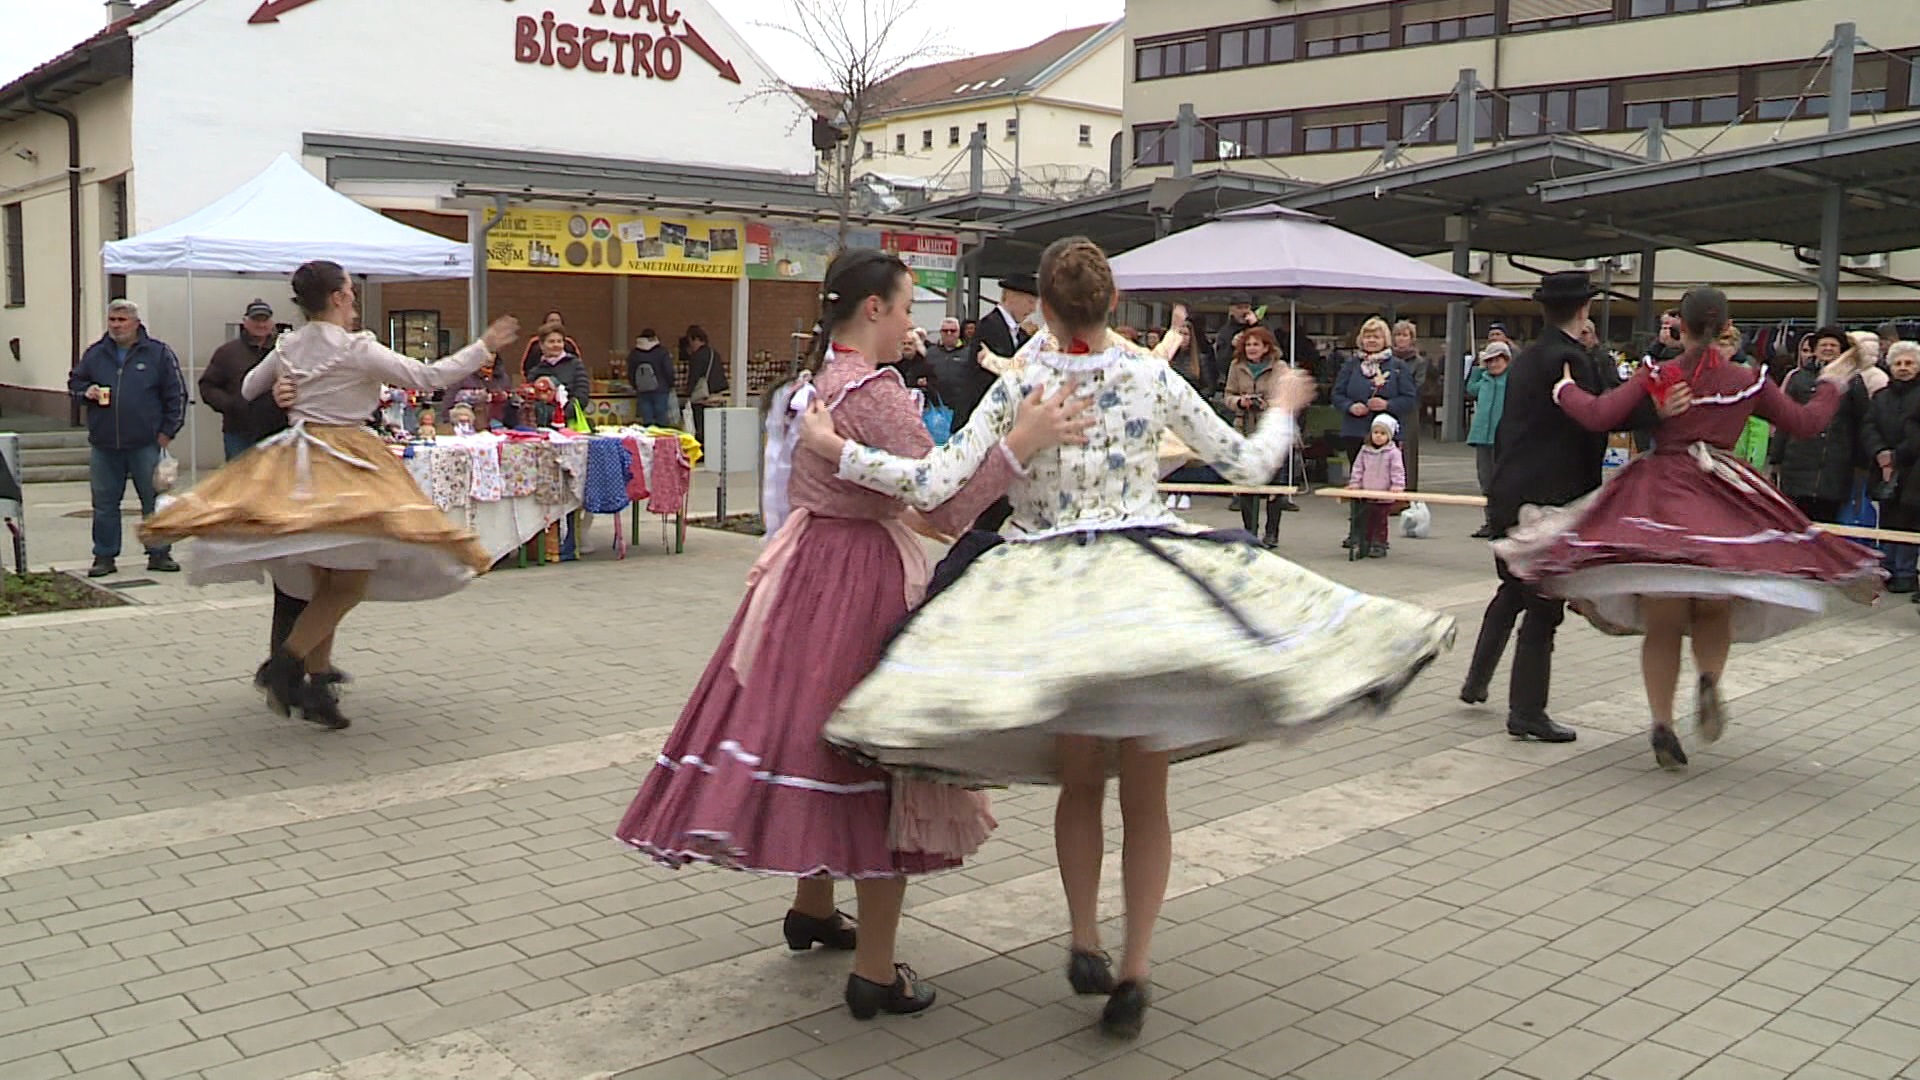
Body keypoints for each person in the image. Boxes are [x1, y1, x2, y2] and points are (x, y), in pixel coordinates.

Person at [797, 236, 1455, 1041]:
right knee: (1147, 794)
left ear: (1041, 305)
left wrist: (838, 451)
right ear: (1113, 305)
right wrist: (1283, 404)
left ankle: (1083, 939)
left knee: (1082, 782)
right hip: (1146, 597)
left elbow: (936, 482)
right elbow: (1245, 464)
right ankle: (1136, 965)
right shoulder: (1150, 372)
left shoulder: (1023, 383)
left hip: (1052, 599)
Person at [614, 249, 1088, 1021]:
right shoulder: (876, 392)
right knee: (877, 756)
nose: (911, 324)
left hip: (803, 572)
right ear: (873, 309)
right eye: (905, 308)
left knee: (812, 735)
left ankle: (812, 904)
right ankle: (875, 968)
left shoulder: (814, 383)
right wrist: (1020, 445)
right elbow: (941, 507)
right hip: (858, 576)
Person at [1495, 286, 1882, 769]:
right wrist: (1831, 382)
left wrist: (1564, 389)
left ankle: (1660, 721)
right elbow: (1805, 423)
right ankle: (1710, 679)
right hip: (1722, 496)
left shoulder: (1660, 375)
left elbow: (1600, 416)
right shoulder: (1749, 379)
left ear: (1680, 327)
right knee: (1714, 607)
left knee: (1663, 620)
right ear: (1725, 327)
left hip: (1660, 496)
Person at [141, 261, 516, 728]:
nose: (354, 301)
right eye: (350, 293)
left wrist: (282, 388)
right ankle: (287, 664)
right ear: (338, 297)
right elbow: (428, 377)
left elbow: (249, 386)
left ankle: (317, 684)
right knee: (349, 581)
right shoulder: (357, 349)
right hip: (345, 460)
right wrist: (484, 346)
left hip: (298, 460)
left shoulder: (289, 345)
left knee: (326, 579)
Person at [1460, 272, 1668, 743]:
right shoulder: (1573, 358)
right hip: (1550, 498)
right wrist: (1605, 360)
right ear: (1584, 310)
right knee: (1543, 605)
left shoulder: (1529, 357)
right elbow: (1614, 411)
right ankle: (1527, 712)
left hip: (1509, 487)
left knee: (1513, 589)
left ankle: (1477, 682)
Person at [70, 299, 187, 579]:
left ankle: (159, 553)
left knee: (154, 502)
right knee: (105, 504)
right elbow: (75, 383)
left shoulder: (157, 353)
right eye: (112, 320)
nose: (116, 325)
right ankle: (104, 556)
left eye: (122, 320)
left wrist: (167, 433)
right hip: (104, 444)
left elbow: (176, 394)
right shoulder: (96, 354)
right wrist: (86, 392)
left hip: (146, 443)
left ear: (136, 323)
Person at [1331, 319, 1417, 550]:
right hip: (1355, 431)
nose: (1371, 340)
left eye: (1376, 336)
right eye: (1367, 336)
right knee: (1358, 482)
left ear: (1385, 340)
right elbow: (1337, 394)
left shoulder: (1397, 366)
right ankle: (1356, 532)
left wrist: (1387, 404)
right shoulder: (1351, 365)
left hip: (1384, 436)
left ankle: (1378, 537)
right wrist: (1350, 406)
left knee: (1381, 489)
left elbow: (1409, 399)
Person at [1770, 326, 1866, 523]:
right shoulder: (1798, 379)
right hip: (1797, 463)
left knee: (1828, 523)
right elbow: (1784, 418)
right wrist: (1776, 457)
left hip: (1836, 465)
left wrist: (1860, 462)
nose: (1828, 349)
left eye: (1833, 345)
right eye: (1824, 345)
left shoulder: (1854, 381)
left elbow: (1862, 421)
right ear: (1814, 349)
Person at [1224, 326, 1292, 547]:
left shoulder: (1280, 367)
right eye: (1248, 344)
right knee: (1247, 483)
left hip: (1271, 428)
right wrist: (1239, 402)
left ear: (1266, 347)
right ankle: (1249, 531)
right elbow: (1227, 395)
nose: (1252, 348)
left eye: (1256, 344)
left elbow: (1287, 396)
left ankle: (1272, 532)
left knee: (1274, 485)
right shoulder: (1236, 366)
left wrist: (1267, 404)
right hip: (1244, 428)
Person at [1864, 341, 1920, 593]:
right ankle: (1889, 570)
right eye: (1898, 363)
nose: (1903, 368)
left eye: (1909, 363)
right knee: (1887, 519)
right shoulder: (1880, 396)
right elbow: (1868, 426)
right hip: (1884, 468)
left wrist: (1897, 455)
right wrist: (1880, 453)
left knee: (1910, 521)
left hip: (1914, 468)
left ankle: (1907, 574)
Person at [201, 298, 286, 462]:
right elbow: (208, 386)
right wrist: (232, 405)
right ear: (245, 322)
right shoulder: (227, 352)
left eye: (265, 320)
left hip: (277, 429)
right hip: (239, 431)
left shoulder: (283, 351)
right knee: (238, 481)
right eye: (256, 320)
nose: (261, 325)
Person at [1466, 341, 1512, 539]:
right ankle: (1489, 521)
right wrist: (1478, 367)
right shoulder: (1482, 380)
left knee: (1504, 482)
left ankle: (1505, 522)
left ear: (1506, 360)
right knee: (1486, 482)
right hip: (1481, 437)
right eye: (1490, 360)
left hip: (1503, 439)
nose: (1493, 364)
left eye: (1497, 359)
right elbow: (1469, 387)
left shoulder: (1512, 381)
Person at [1345, 413, 1406, 560]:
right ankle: (1365, 543)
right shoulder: (1364, 450)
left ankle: (1379, 544)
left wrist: (1397, 485)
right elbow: (1358, 468)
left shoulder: (1393, 453)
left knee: (1380, 521)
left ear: (1389, 436)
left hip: (1384, 494)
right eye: (1376, 432)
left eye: (1383, 433)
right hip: (1366, 493)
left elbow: (1397, 470)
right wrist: (1355, 484)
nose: (1378, 436)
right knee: (1366, 519)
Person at [683, 325, 728, 445]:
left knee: (701, 426)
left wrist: (688, 393)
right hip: (716, 395)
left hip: (702, 397)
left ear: (696, 339)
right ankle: (713, 448)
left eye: (691, 341)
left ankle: (702, 450)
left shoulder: (697, 357)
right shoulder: (714, 353)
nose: (691, 345)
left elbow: (694, 377)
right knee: (713, 426)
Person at [626, 330, 675, 427]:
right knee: (661, 420)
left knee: (647, 420)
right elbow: (668, 370)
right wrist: (670, 384)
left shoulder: (634, 354)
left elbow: (630, 373)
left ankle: (649, 440)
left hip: (642, 391)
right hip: (661, 390)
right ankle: (660, 439)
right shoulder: (662, 352)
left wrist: (636, 386)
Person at [519, 309, 576, 381]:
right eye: (552, 321)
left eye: (557, 321)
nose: (554, 323)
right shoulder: (534, 343)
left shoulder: (569, 344)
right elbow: (526, 367)